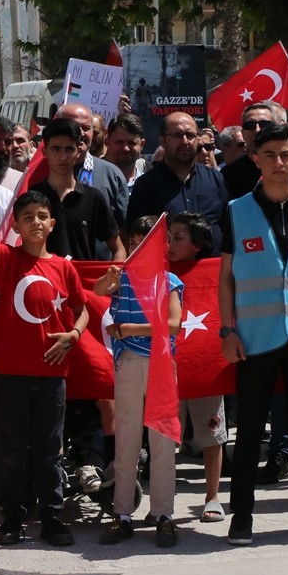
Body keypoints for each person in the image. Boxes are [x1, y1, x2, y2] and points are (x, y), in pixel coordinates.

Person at [0, 186, 89, 547]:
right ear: (16, 227)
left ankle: (52, 517)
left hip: (53, 375)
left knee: (49, 449)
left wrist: (74, 334)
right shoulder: (8, 258)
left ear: (52, 223)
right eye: (27, 217)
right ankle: (13, 517)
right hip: (12, 373)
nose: (35, 222)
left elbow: (82, 308)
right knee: (13, 449)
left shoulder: (64, 267)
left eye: (41, 216)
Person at [218, 121, 288, 546]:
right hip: (253, 337)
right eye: (269, 155)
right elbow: (226, 277)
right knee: (249, 432)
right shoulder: (236, 210)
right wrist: (227, 329)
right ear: (255, 159)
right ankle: (242, 519)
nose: (279, 162)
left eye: (285, 154)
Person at [93, 216, 184, 548]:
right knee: (126, 439)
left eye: (144, 244)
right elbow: (98, 290)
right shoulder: (124, 277)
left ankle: (164, 516)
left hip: (161, 363)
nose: (136, 249)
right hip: (129, 363)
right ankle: (122, 515)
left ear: (160, 248)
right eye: (133, 243)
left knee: (162, 444)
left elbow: (173, 325)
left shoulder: (169, 280)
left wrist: (132, 329)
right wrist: (110, 276)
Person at [167, 212, 227, 523]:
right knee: (164, 436)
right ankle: (163, 500)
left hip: (205, 368)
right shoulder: (157, 272)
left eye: (178, 237)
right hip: (167, 368)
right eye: (169, 236)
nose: (170, 243)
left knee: (211, 434)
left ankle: (212, 496)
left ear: (198, 245)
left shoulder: (216, 271)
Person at [128, 112, 228, 248]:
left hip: (212, 267)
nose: (185, 141)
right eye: (177, 135)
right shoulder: (146, 185)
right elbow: (137, 238)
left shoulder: (216, 179)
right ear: (162, 141)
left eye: (190, 135)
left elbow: (229, 229)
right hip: (167, 268)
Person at [32, 118, 125, 261]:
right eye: (56, 149)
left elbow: (118, 249)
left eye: (69, 149)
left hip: (83, 282)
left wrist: (111, 279)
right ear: (45, 152)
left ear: (78, 151)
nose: (63, 157)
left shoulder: (93, 198)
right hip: (44, 281)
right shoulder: (33, 197)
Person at [221, 102, 287, 200]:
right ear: (243, 134)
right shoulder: (228, 175)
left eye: (264, 124)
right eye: (250, 125)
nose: (257, 130)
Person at [105, 113, 147, 187]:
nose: (125, 149)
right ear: (107, 141)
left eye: (131, 143)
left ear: (142, 145)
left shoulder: (150, 187)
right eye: (119, 142)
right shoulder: (92, 181)